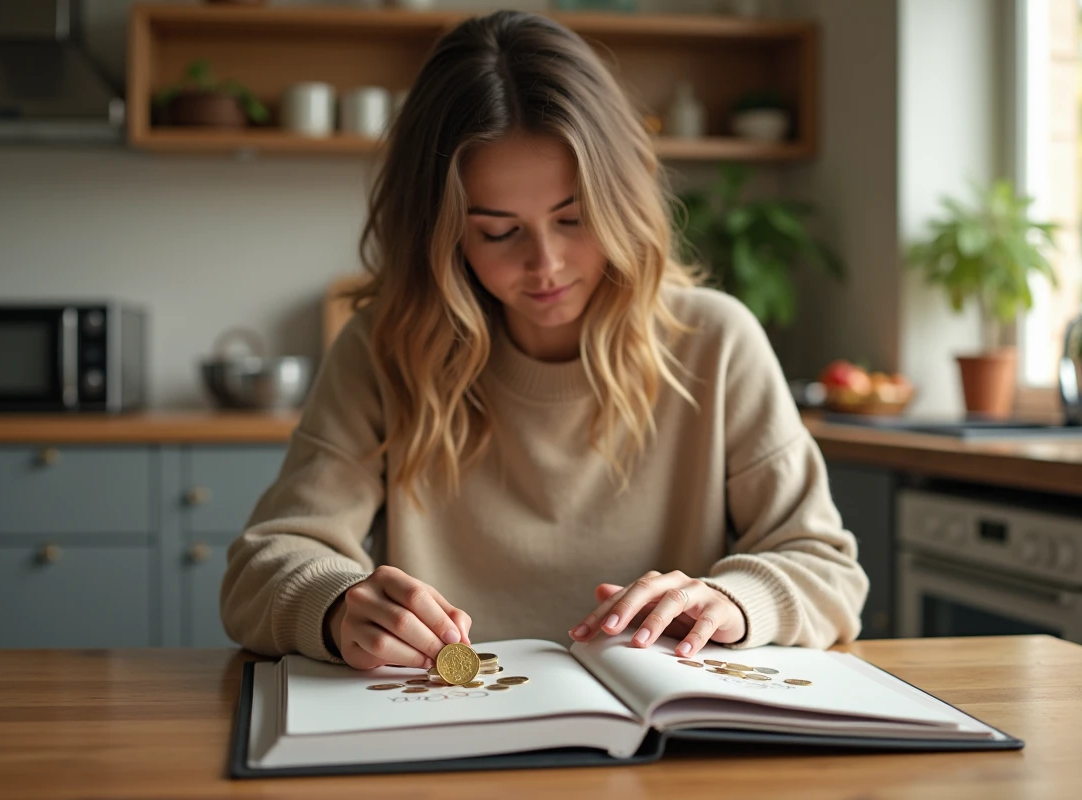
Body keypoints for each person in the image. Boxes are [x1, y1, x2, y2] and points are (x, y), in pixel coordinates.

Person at [220, 9, 868, 672]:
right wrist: (334, 607)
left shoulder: (717, 341)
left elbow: (828, 572)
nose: (547, 264)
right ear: (441, 236)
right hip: (446, 728)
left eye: (574, 217)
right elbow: (258, 573)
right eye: (500, 232)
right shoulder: (383, 351)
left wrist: (734, 601)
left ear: (622, 201)